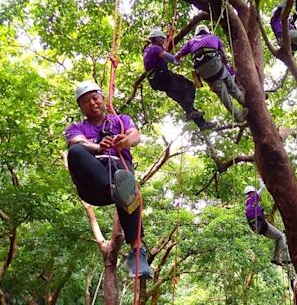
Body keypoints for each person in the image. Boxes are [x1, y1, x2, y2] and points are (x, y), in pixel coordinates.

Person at [65, 81, 152, 278]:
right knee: (76, 151)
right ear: (81, 107)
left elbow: (135, 135)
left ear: (103, 98)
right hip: (94, 185)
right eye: (86, 101)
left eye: (95, 98)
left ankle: (137, 255)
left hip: (119, 172)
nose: (92, 103)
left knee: (128, 185)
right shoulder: (76, 127)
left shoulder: (120, 120)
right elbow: (75, 141)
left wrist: (125, 141)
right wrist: (97, 148)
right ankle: (115, 189)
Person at [143, 28, 215, 131]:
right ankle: (192, 113)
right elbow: (167, 55)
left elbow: (164, 49)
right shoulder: (155, 48)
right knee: (189, 85)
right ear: (158, 39)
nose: (164, 41)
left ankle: (201, 123)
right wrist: (175, 60)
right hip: (162, 76)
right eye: (162, 39)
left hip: (156, 81)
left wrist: (169, 37)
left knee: (184, 100)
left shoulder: (149, 49)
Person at [175, 24, 248, 123]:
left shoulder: (190, 42)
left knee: (223, 93)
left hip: (202, 71)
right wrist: (226, 64)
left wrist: (177, 60)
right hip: (214, 64)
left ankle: (237, 115)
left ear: (197, 33)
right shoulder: (214, 38)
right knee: (228, 80)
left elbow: (178, 55)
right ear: (206, 31)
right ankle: (241, 97)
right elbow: (224, 57)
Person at [244, 180, 291, 266]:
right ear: (251, 193)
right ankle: (286, 257)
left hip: (258, 227)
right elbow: (259, 192)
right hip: (261, 225)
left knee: (278, 237)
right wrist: (261, 184)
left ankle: (275, 258)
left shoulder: (249, 205)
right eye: (254, 193)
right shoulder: (250, 200)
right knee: (281, 236)